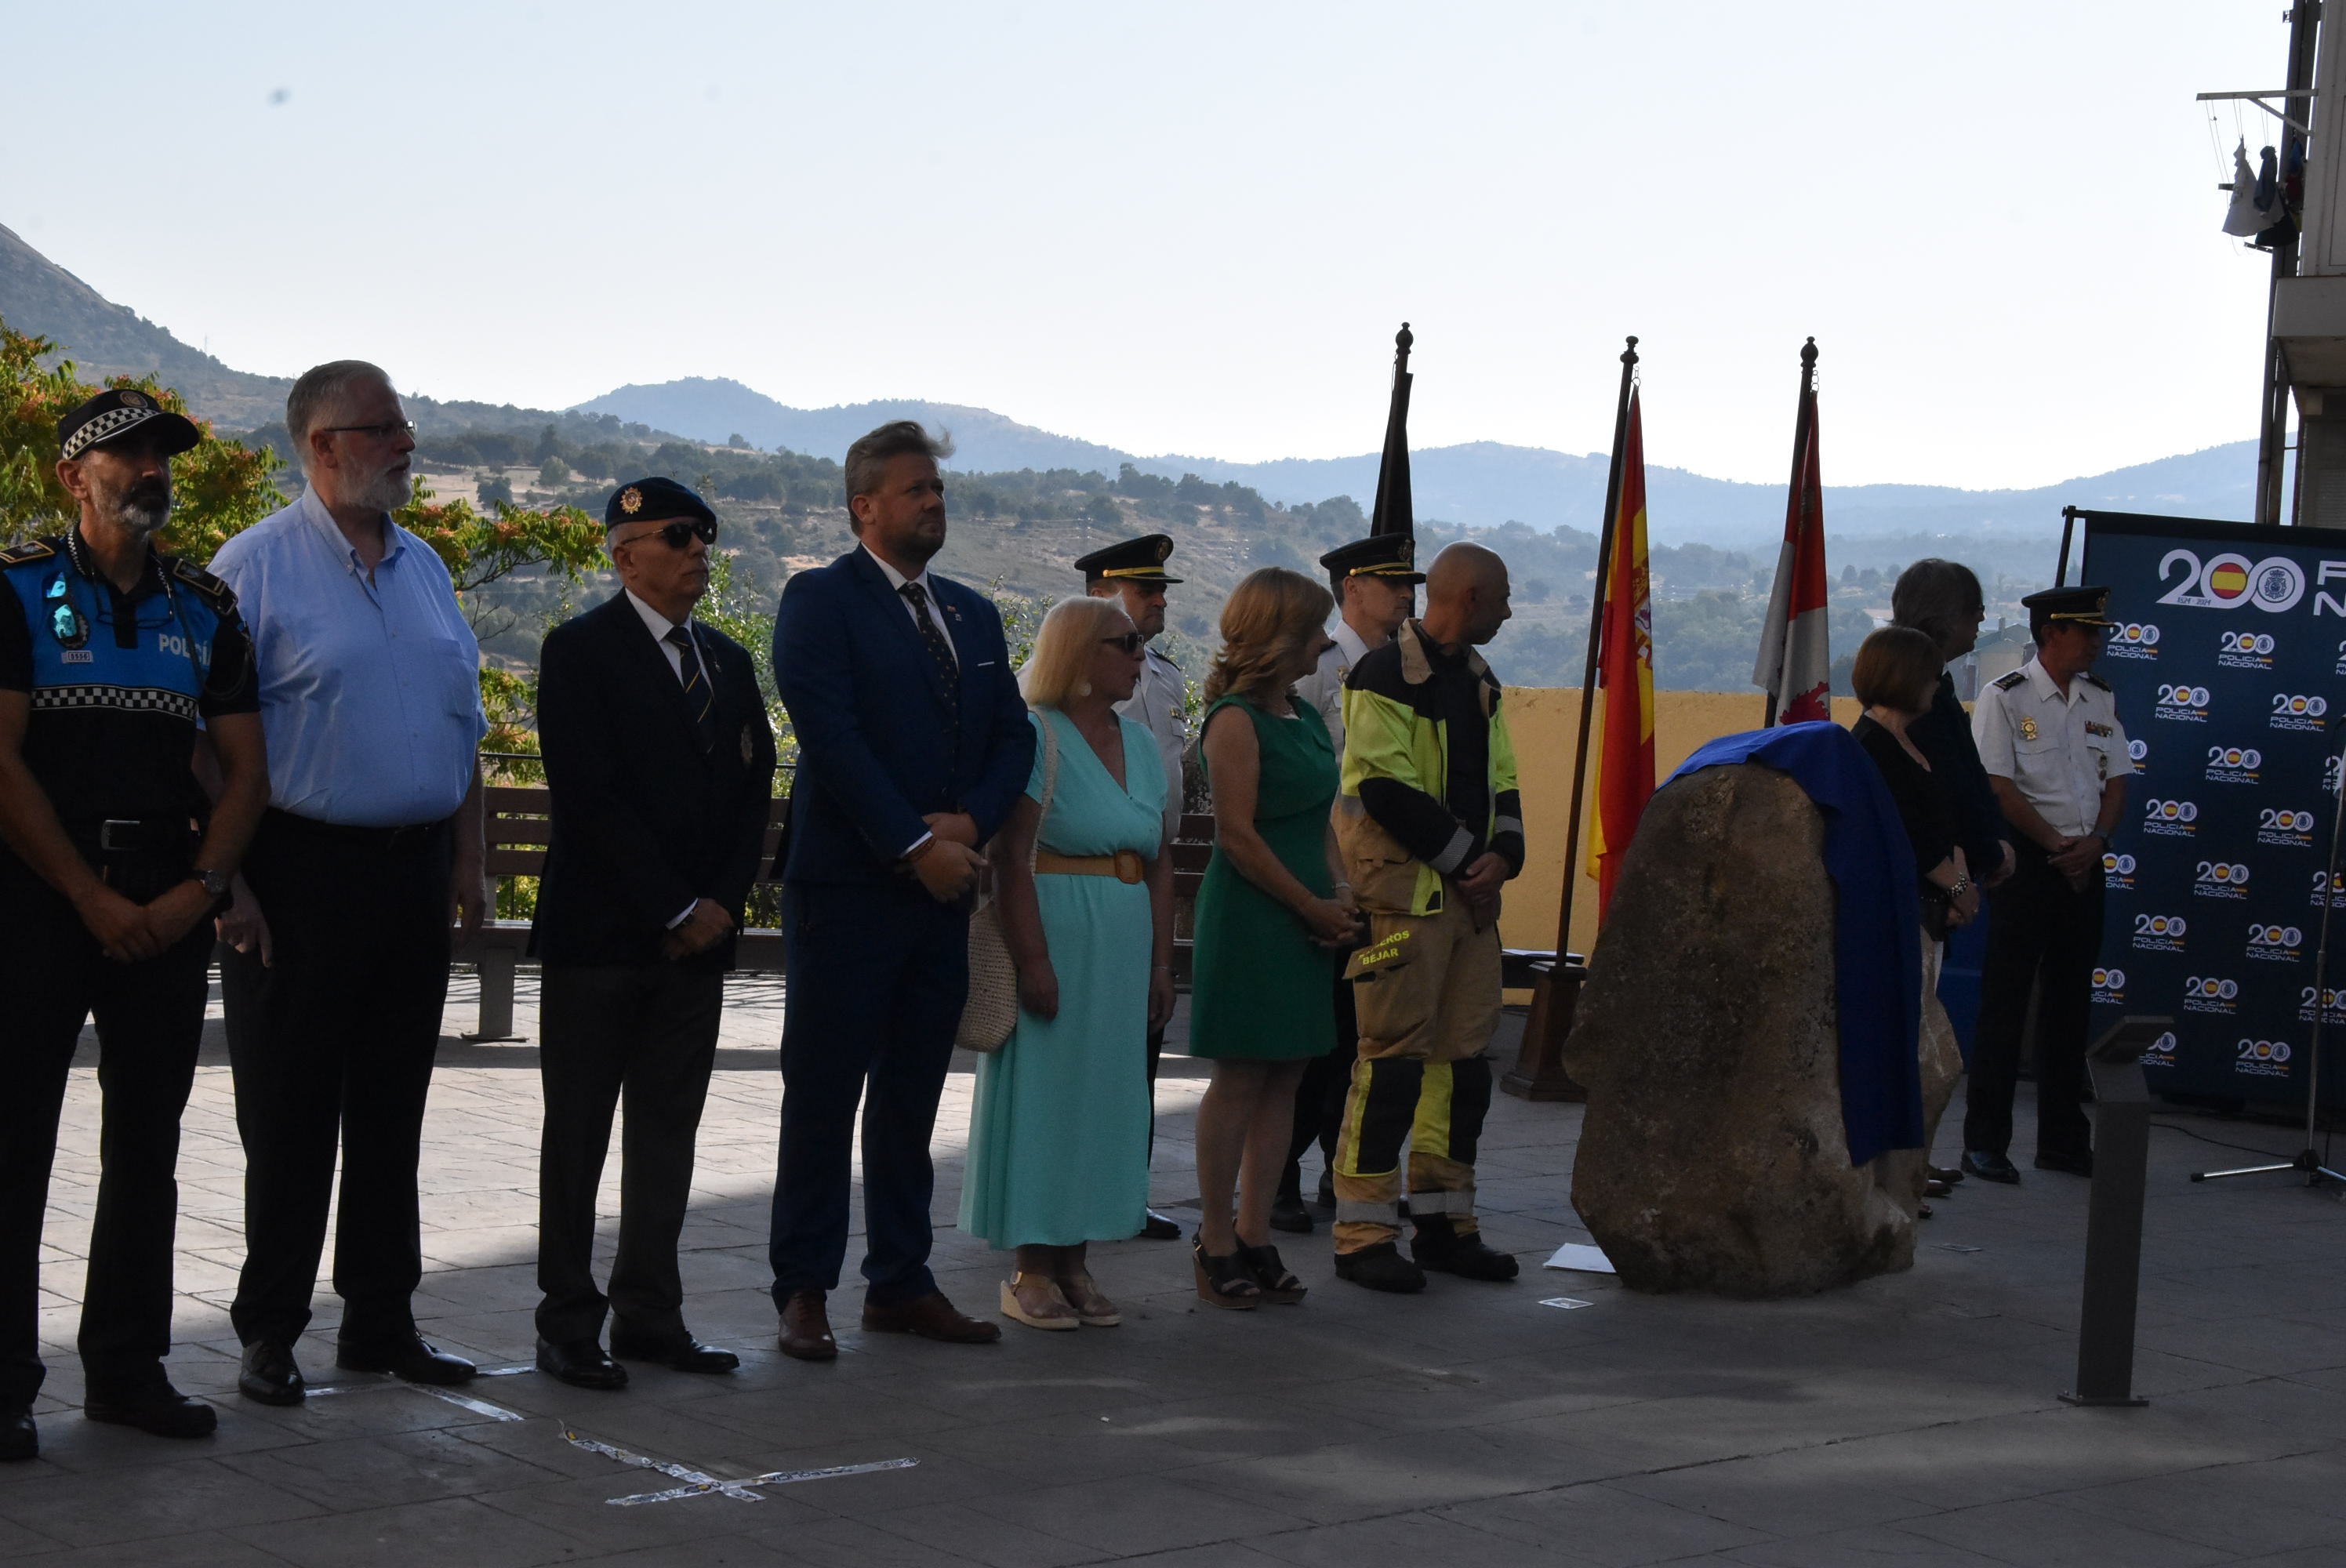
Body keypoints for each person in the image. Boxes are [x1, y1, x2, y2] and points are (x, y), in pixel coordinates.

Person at [210, 361, 491, 1404]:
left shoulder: (423, 566)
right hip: (298, 871)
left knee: (391, 1109)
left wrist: (466, 857)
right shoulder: (253, 570)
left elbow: (460, 723)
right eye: (384, 430)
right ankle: (269, 1329)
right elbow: (203, 744)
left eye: (406, 427)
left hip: (411, 870)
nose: (406, 445)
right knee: (288, 1116)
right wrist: (226, 877)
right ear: (322, 445)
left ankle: (380, 1322)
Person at [0, 390, 270, 1458]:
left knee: (145, 1148)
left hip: (165, 898)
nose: (150, 470)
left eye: (161, 457)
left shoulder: (204, 610)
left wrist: (196, 889)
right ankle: (7, 1387)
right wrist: (85, 893)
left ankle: (125, 1370)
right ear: (75, 476)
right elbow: (2, 763)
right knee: (15, 1147)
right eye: (126, 456)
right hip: (37, 900)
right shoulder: (17, 594)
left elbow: (246, 773)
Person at [767, 421, 1036, 1361]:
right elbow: (830, 739)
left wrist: (967, 826)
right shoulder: (820, 600)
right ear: (864, 506)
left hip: (945, 888)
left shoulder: (973, 614)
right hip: (849, 888)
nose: (934, 502)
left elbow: (1014, 737)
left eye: (939, 490)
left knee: (912, 1095)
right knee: (824, 1092)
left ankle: (901, 1281)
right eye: (916, 489)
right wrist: (913, 840)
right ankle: (803, 1285)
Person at [528, 479, 777, 1389]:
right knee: (580, 1137)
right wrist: (675, 905)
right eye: (677, 537)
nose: (698, 551)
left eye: (705, 537)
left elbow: (751, 795)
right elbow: (590, 800)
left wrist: (717, 902)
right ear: (623, 552)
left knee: (667, 1134)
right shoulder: (580, 651)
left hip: (695, 945)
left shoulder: (727, 660)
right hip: (603, 938)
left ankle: (650, 1313)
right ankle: (566, 1321)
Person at [961, 596, 1173, 1329]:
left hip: (1122, 937)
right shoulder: (1035, 735)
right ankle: (1032, 1267)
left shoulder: (1142, 744)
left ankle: (1077, 1260)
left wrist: (1159, 962)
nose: (1139, 653)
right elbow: (1011, 856)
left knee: (1107, 1098)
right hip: (1056, 925)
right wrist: (1035, 958)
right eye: (1124, 642)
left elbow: (1159, 857)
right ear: (1081, 656)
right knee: (1047, 1099)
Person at [1331, 542, 1524, 1292]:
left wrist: (1503, 858)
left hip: (1467, 906)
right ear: (1469, 596)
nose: (1509, 610)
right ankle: (1362, 1235)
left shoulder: (1480, 682)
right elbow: (1383, 785)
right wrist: (1466, 861)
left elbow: (1504, 780)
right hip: (1404, 904)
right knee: (1390, 1071)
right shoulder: (1383, 674)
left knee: (1461, 1072)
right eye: (1503, 596)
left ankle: (1444, 1226)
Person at [1187, 568, 1356, 1308]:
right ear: (1283, 635)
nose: (1327, 639)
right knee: (1242, 1076)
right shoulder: (1233, 720)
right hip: (1256, 914)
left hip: (1307, 914)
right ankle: (1216, 1237)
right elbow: (1239, 838)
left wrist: (1342, 894)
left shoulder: (1306, 718)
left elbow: (1318, 819)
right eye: (1317, 627)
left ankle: (1257, 1232)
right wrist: (1310, 908)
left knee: (1288, 1073)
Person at [1277, 533, 1422, 1234]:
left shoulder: (1408, 670)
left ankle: (1343, 1173)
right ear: (1352, 590)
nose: (1405, 596)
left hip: (1383, 884)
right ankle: (1277, 1178)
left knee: (1364, 1038)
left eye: (1410, 585)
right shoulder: (1319, 666)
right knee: (1316, 1038)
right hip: (1327, 874)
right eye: (1392, 584)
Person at [1966, 585, 2130, 1184]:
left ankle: (2062, 1140)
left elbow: (2117, 781)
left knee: (2070, 1006)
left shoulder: (2100, 697)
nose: (2095, 642)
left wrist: (2096, 844)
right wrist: (2057, 843)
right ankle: (1984, 1142)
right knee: (2005, 1006)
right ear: (2051, 633)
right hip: (2031, 864)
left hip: (2086, 863)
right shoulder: (2003, 698)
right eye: (2085, 631)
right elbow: (1998, 788)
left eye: (2098, 631)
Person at [1077, 533, 1187, 1243]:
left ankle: (1127, 1189)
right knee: (1089, 1053)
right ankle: (1078, 1190)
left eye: (1160, 590)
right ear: (1098, 595)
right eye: (1143, 588)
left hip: (1149, 866)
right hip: (1090, 878)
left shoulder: (1167, 677)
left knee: (1139, 1056)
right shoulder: (1069, 678)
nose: (1159, 600)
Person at [1848, 626, 1979, 1218]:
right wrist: (1957, 887)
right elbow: (1908, 839)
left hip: (1932, 918)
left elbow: (1942, 824)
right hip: (1903, 922)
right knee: (1923, 1061)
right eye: (1929, 674)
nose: (1937, 685)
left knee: (1929, 1062)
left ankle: (1908, 1173)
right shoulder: (1871, 748)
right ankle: (1889, 1178)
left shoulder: (1911, 741)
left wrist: (1958, 888)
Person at [1890, 557, 2011, 1199]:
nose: (1982, 623)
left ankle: (1915, 1157)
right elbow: (1941, 803)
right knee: (1915, 1042)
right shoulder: (1918, 708)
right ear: (1943, 616)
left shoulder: (1935, 692)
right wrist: (1979, 860)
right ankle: (1903, 1162)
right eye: (1973, 612)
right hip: (1930, 891)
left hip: (1952, 883)